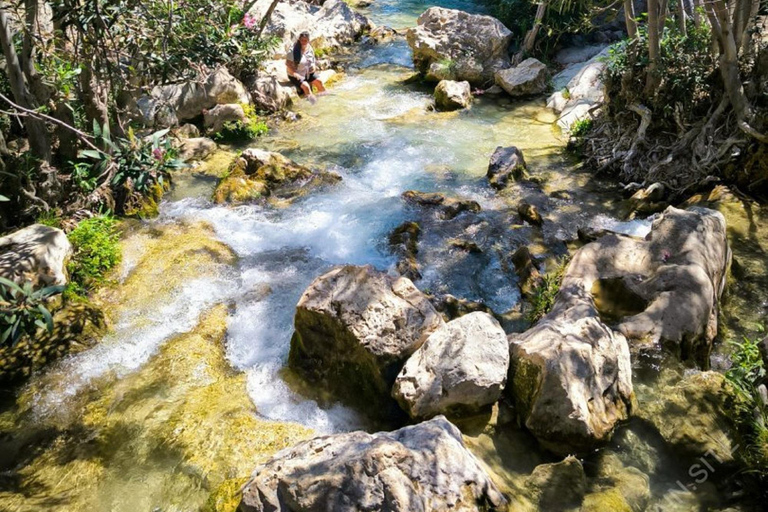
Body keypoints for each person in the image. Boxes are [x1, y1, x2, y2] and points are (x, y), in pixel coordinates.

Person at [286, 31, 326, 103]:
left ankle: (324, 101)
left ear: (308, 40)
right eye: (302, 40)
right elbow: (288, 64)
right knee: (306, 86)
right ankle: (313, 103)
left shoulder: (309, 48)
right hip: (296, 74)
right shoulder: (292, 50)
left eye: (305, 40)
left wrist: (313, 67)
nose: (303, 42)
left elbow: (313, 60)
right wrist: (295, 74)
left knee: (319, 82)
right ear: (299, 39)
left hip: (307, 72)